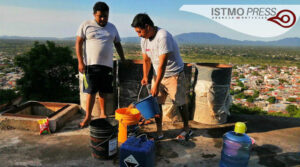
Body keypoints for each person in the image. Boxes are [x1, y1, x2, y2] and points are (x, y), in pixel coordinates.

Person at [131, 13, 192, 141]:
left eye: (139, 31)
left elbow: (162, 65)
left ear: (147, 27)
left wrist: (156, 84)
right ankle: (159, 132)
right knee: (156, 104)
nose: (139, 35)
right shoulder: (144, 40)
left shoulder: (163, 36)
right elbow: (146, 60)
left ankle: (187, 129)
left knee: (180, 103)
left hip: (174, 74)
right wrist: (145, 77)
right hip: (157, 75)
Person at [76, 1, 125, 128]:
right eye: (100, 16)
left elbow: (118, 44)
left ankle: (103, 113)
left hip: (107, 65)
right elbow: (78, 43)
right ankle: (88, 117)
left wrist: (123, 59)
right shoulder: (86, 25)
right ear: (94, 14)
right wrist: (80, 62)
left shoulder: (112, 27)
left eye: (106, 16)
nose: (103, 19)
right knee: (91, 91)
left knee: (104, 91)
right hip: (90, 65)